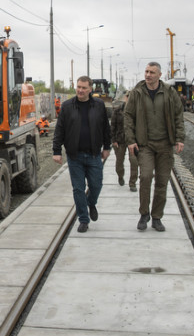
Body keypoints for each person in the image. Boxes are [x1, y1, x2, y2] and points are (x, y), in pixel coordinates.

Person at [124, 62, 185, 232]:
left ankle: (157, 217)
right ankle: (144, 214)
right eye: (146, 71)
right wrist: (130, 140)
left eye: (152, 72)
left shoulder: (169, 92)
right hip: (145, 144)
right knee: (145, 177)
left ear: (159, 75)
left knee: (162, 181)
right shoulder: (137, 92)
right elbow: (128, 116)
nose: (148, 75)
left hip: (165, 144)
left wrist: (180, 138)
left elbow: (178, 115)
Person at [52, 76, 112, 233]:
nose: (80, 90)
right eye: (78, 87)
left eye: (84, 87)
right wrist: (56, 151)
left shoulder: (99, 105)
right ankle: (83, 220)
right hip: (75, 156)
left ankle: (91, 203)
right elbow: (60, 130)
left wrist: (107, 147)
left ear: (90, 89)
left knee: (96, 185)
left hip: (94, 155)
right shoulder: (67, 106)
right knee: (78, 189)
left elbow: (106, 127)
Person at [111, 100, 137, 192]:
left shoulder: (137, 110)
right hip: (120, 140)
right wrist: (113, 140)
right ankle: (120, 176)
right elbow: (113, 126)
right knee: (119, 162)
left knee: (134, 162)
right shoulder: (117, 111)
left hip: (133, 141)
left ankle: (132, 183)